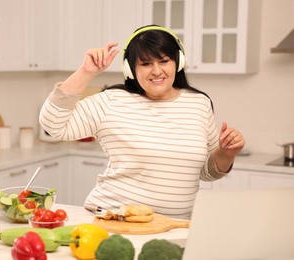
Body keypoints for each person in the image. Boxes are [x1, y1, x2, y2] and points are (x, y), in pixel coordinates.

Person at [39, 25, 245, 219]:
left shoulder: (199, 103)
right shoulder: (112, 100)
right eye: (146, 63)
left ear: (178, 62)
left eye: (164, 61)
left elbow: (205, 173)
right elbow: (53, 125)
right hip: (113, 220)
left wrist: (226, 153)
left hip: (175, 227)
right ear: (131, 69)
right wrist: (86, 72)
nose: (156, 71)